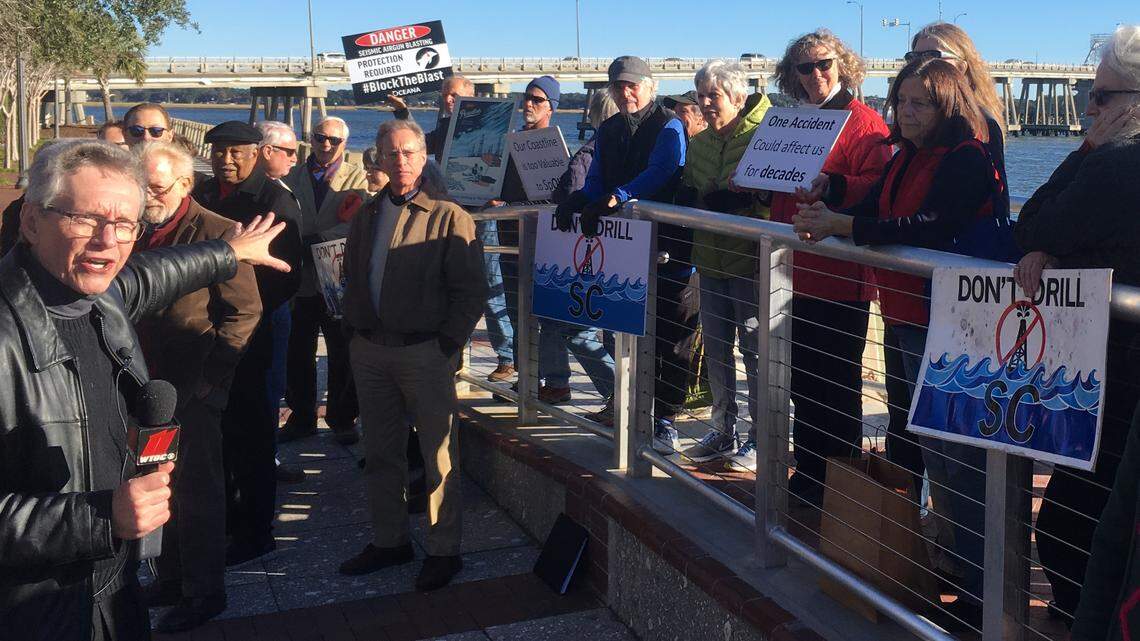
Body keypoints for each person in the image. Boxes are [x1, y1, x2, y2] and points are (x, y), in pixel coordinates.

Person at [0, 138, 288, 641]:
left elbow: (153, 275)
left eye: (125, 224)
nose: (106, 242)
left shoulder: (100, 295)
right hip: (35, 610)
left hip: (113, 592)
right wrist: (98, 517)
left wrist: (230, 251)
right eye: (83, 219)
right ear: (30, 221)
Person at [792, 57, 1010, 629]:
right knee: (935, 451)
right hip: (909, 315)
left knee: (959, 459)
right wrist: (832, 196)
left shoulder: (965, 158)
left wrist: (845, 226)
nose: (905, 113)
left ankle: (983, 591)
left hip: (951, 321)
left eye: (919, 104)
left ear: (946, 107)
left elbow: (929, 227)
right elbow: (874, 204)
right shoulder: (908, 154)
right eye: (901, 102)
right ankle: (960, 572)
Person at [1013, 24, 1140, 628]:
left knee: (1069, 522)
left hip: (1114, 366)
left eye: (1104, 96)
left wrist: (1086, 149)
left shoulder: (1117, 165)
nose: (1090, 107)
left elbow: (1032, 223)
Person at [338, 118, 487, 592]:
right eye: (391, 153)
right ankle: (390, 541)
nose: (399, 161)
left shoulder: (448, 216)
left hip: (425, 351)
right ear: (377, 159)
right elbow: (352, 277)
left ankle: (444, 550)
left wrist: (447, 344)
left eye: (409, 153)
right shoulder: (366, 214)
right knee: (380, 452)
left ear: (423, 158)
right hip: (371, 350)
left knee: (438, 456)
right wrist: (353, 331)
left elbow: (470, 290)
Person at [133, 142, 261, 632]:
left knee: (197, 493)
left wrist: (212, 382)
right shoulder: (133, 228)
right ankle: (168, 578)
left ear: (186, 184)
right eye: (141, 186)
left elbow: (244, 313)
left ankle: (204, 591)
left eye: (157, 187)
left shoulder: (217, 232)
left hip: (192, 388)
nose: (147, 197)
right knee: (153, 485)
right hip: (143, 387)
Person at [766, 30, 892, 496]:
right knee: (802, 379)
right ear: (792, 75)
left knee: (837, 384)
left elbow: (879, 184)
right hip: (791, 272)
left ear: (843, 66)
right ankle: (810, 471)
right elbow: (775, 186)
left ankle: (839, 483)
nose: (816, 74)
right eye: (805, 67)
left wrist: (833, 185)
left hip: (841, 277)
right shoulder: (788, 122)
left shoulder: (865, 122)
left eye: (825, 64)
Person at [555, 56, 692, 428]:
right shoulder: (611, 127)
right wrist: (582, 199)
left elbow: (662, 170)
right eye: (618, 85)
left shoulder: (670, 125)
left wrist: (618, 195)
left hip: (664, 243)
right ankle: (624, 403)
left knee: (663, 334)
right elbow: (597, 175)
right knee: (617, 323)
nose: (626, 91)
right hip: (621, 244)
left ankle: (661, 419)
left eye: (633, 84)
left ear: (650, 86)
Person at [192, 121, 305, 567]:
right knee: (215, 432)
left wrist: (235, 307)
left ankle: (256, 531)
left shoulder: (274, 200)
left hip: (255, 331)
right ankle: (223, 519)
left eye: (237, 151)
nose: (227, 159)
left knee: (253, 431)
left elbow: (286, 275)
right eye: (219, 151)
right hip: (206, 331)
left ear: (257, 153)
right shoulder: (203, 194)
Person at [676, 60, 772, 466]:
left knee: (756, 354)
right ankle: (722, 430)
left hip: (750, 263)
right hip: (709, 262)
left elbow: (775, 202)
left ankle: (761, 438)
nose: (705, 104)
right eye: (701, 96)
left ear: (737, 97)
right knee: (716, 351)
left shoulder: (764, 137)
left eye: (713, 96)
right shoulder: (697, 144)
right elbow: (691, 193)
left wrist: (744, 202)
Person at [280, 116, 369, 445]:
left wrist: (316, 238)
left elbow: (359, 223)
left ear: (344, 143)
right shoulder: (292, 176)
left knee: (343, 351)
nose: (326, 145)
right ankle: (301, 416)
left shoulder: (358, 177)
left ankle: (343, 418)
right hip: (300, 279)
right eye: (320, 138)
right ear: (312, 139)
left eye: (333, 140)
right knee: (297, 351)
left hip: (336, 278)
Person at [539, 87, 619, 406]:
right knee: (610, 331)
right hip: (614, 254)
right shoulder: (621, 154)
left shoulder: (588, 154)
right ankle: (620, 398)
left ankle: (619, 395)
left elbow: (571, 195)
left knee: (572, 327)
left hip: (583, 254)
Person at [481, 75, 563, 385]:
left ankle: (551, 379)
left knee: (544, 315)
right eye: (526, 97)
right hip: (508, 239)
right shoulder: (510, 140)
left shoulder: (554, 143)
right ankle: (525, 376)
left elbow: (556, 193)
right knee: (516, 311)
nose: (528, 104)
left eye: (537, 99)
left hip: (544, 242)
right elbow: (496, 183)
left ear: (550, 107)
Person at [390, 75, 476, 161]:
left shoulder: (487, 126)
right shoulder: (445, 128)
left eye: (454, 95)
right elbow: (419, 144)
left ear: (470, 97)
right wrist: (402, 111)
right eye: (444, 95)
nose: (447, 99)